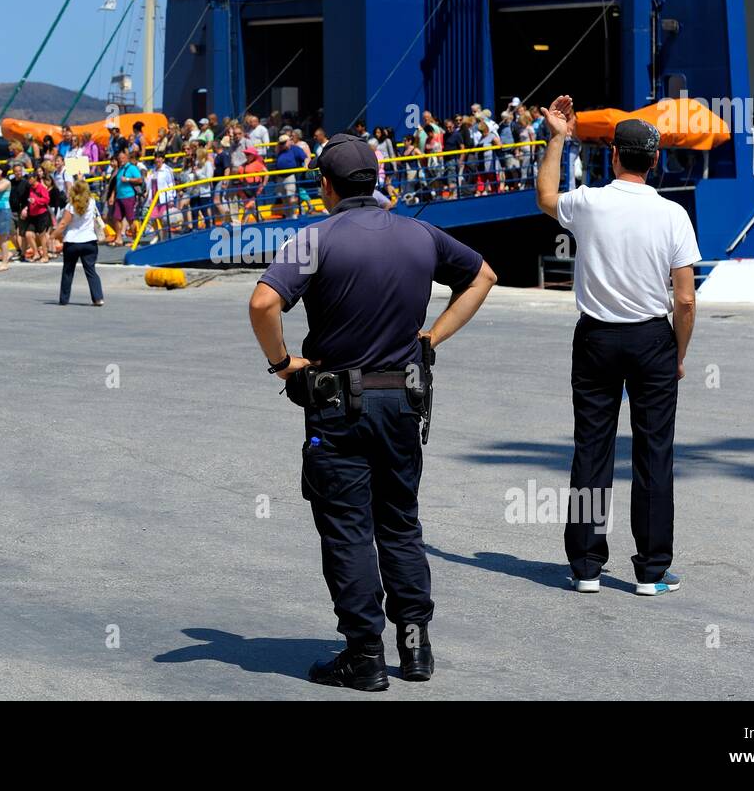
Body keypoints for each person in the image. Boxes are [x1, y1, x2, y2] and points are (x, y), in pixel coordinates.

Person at [248, 133, 498, 690]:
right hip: (403, 401)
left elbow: (264, 301)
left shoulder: (315, 239)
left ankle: (363, 655)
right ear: (378, 179)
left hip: (338, 407)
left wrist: (285, 363)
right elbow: (483, 276)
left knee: (348, 530)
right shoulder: (419, 233)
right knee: (400, 523)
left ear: (326, 186)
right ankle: (414, 649)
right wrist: (432, 336)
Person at [535, 96, 699, 597]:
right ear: (654, 161)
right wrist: (679, 355)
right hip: (652, 338)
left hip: (596, 337)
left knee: (592, 447)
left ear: (613, 156)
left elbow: (544, 195)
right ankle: (650, 571)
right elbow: (686, 300)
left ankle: (586, 566)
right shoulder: (672, 214)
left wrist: (559, 136)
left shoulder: (588, 202)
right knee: (653, 452)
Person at [52, 180, 104, 307]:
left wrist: (52, 236)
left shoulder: (71, 205)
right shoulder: (92, 203)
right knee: (91, 270)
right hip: (89, 241)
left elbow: (63, 224)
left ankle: (64, 299)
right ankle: (98, 298)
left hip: (72, 241)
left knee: (68, 271)